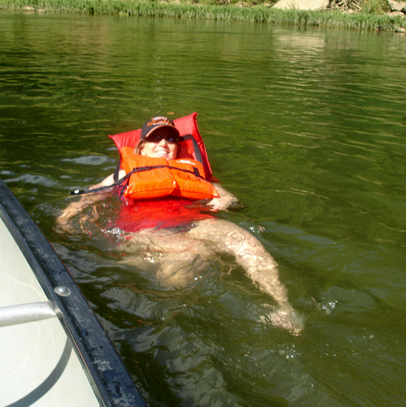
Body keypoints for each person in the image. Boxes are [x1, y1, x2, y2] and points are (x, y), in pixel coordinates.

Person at [57, 117, 302, 333]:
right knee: (189, 260)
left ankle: (283, 307)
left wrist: (226, 201)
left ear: (177, 147)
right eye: (156, 138)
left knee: (246, 241)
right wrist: (66, 217)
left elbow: (231, 199)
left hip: (196, 222)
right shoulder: (123, 174)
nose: (164, 144)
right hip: (149, 230)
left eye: (171, 139)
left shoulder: (192, 173)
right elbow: (89, 196)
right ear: (141, 146)